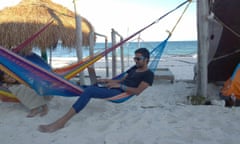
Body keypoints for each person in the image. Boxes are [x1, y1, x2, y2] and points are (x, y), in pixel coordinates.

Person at [38, 47, 154, 133]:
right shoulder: (134, 68)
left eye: (138, 59)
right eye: (135, 58)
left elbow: (137, 91)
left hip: (121, 93)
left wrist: (121, 87)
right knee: (83, 88)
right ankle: (54, 87)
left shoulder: (148, 75)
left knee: (89, 91)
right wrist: (107, 81)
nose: (136, 61)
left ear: (146, 60)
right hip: (116, 88)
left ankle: (61, 122)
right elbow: (121, 80)